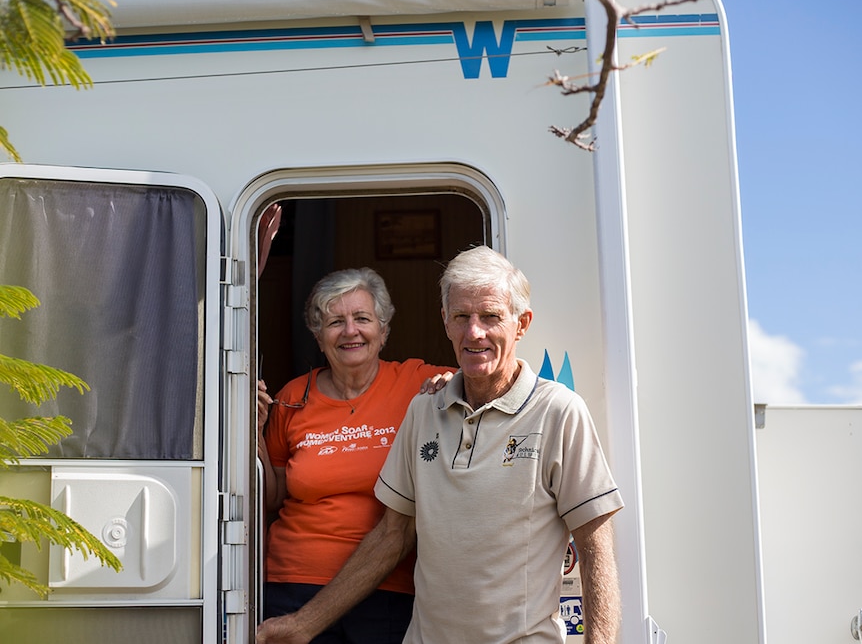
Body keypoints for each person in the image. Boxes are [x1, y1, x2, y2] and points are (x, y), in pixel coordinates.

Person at [256, 246, 625, 644]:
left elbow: (595, 548)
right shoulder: (423, 410)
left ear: (522, 324)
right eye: (461, 317)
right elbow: (391, 536)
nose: (474, 332)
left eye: (490, 317)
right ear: (445, 322)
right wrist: (305, 624)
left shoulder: (559, 411)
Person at [256, 267, 455, 644]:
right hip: (291, 582)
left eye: (362, 318)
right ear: (318, 335)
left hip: (387, 586)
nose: (350, 331)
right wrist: (257, 437)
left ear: (383, 330)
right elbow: (274, 496)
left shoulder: (419, 383)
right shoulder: (294, 396)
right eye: (335, 322)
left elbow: (489, 382)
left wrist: (455, 387)